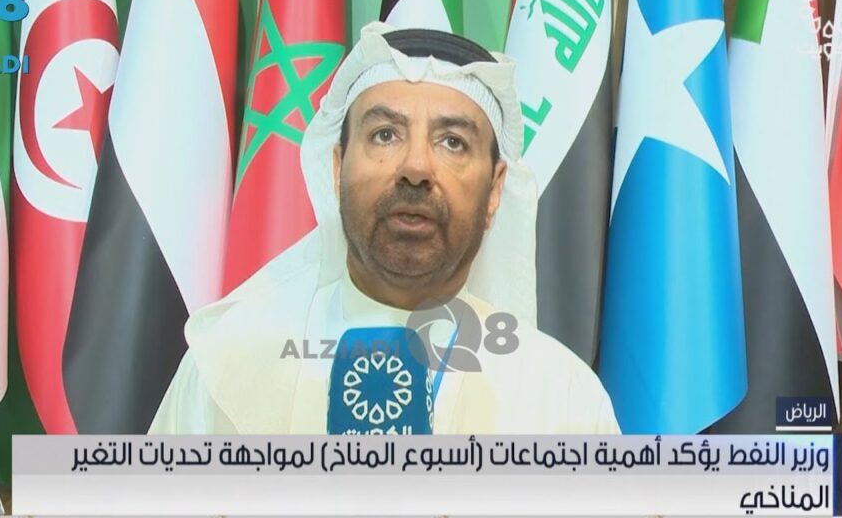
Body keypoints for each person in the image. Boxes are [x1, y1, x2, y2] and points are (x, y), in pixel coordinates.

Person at [150, 23, 619, 434]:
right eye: (385, 135)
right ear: (337, 169)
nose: (416, 168)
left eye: (452, 142)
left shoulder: (565, 402)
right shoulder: (225, 364)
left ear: (495, 190)